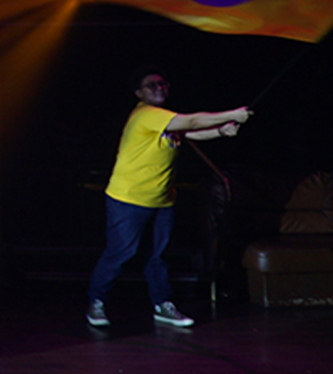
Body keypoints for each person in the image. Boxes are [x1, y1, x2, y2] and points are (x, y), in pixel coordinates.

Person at [85, 67, 251, 328]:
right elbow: (192, 122)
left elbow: (188, 133)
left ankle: (162, 305)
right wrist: (232, 114)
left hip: (162, 200)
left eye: (162, 84)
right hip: (129, 199)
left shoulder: (163, 119)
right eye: (151, 85)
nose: (159, 88)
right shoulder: (146, 115)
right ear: (139, 93)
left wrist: (220, 131)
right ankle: (97, 302)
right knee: (120, 253)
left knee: (158, 257)